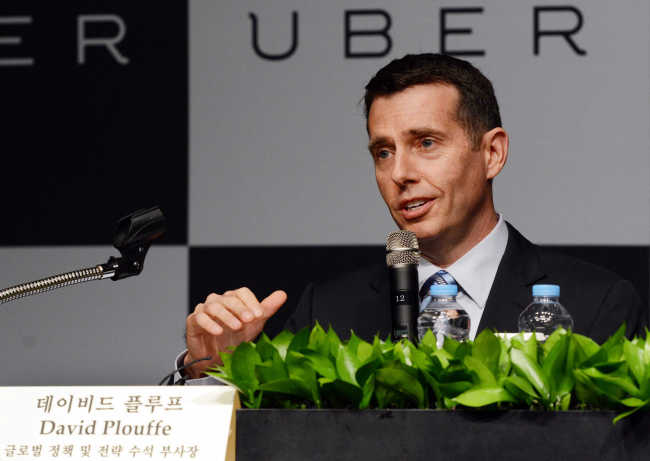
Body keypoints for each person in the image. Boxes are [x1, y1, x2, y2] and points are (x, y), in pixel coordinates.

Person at [180, 54, 648, 381]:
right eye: (383, 152)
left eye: (425, 143)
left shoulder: (597, 304)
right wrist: (210, 368)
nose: (399, 173)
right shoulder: (328, 311)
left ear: (492, 153)